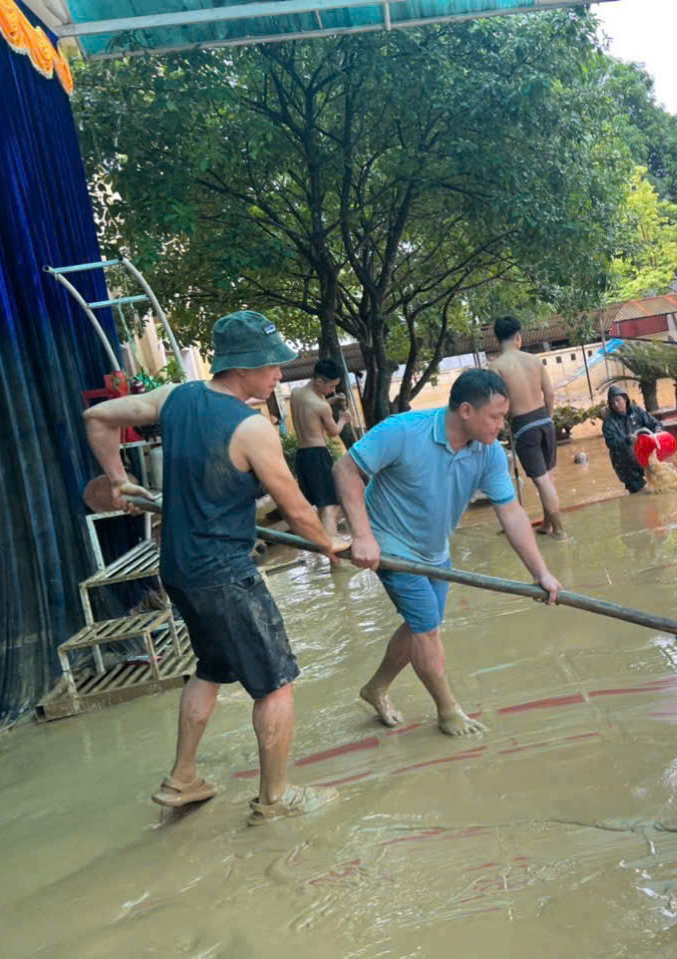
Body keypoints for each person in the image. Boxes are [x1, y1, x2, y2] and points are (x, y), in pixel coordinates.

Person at [82, 310, 342, 826]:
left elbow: (98, 418)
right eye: (271, 366)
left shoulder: (175, 398)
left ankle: (182, 779)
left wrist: (117, 480)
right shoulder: (251, 428)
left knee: (210, 668)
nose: (278, 377)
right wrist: (333, 545)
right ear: (244, 367)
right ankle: (275, 799)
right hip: (225, 575)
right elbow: (296, 509)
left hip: (179, 568)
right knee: (275, 684)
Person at [333, 368, 562, 736]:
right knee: (427, 629)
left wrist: (541, 573)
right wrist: (363, 536)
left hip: (434, 547)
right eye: (496, 416)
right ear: (467, 411)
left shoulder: (488, 453)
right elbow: (346, 469)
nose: (502, 425)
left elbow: (511, 512)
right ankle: (448, 711)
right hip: (390, 542)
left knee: (421, 624)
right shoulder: (404, 431)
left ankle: (376, 687)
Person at [487, 315, 563, 536]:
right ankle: (548, 525)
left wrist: (506, 422)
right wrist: (548, 418)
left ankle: (559, 530)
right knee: (548, 478)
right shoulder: (534, 360)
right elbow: (549, 393)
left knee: (541, 481)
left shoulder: (496, 367)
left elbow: (499, 403)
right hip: (545, 420)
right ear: (518, 336)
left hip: (523, 425)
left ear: (498, 340)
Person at [290, 358, 349, 540]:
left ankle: (323, 546)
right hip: (318, 456)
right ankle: (334, 556)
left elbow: (312, 407)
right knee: (330, 506)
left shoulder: (296, 393)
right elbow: (333, 432)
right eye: (331, 387)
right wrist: (344, 419)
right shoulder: (321, 406)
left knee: (320, 505)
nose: (333, 390)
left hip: (302, 456)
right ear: (319, 381)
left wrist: (331, 400)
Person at [602, 385, 661, 493]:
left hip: (646, 459)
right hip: (626, 467)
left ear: (625, 399)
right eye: (612, 402)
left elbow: (655, 423)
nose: (616, 404)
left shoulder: (637, 411)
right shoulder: (609, 422)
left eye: (618, 400)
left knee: (661, 486)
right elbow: (611, 443)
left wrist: (658, 430)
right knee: (642, 495)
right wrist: (626, 440)